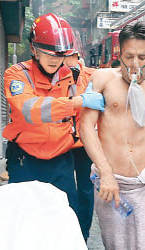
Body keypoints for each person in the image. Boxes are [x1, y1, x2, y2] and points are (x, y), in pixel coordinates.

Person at [2, 13, 104, 239]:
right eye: (48, 53)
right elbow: (30, 109)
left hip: (61, 161)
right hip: (25, 161)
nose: (54, 59)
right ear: (33, 48)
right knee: (26, 225)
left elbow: (113, 81)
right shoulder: (17, 75)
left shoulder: (73, 75)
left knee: (65, 221)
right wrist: (77, 102)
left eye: (60, 55)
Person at [79, 21, 145, 250]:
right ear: (119, 53)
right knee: (117, 244)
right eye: (129, 56)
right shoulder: (102, 79)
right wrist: (105, 173)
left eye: (142, 58)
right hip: (111, 184)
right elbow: (86, 127)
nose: (135, 65)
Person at [64, 52, 95, 242]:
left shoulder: (93, 76)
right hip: (63, 142)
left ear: (76, 56)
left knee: (85, 189)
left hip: (86, 142)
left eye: (68, 55)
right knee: (66, 189)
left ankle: (83, 235)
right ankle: (69, 234)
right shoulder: (56, 75)